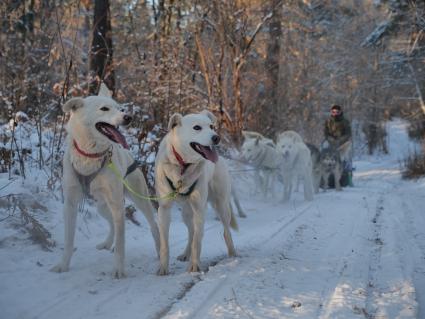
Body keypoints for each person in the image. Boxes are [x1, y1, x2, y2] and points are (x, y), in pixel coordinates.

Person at [324, 104, 353, 186]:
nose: (335, 113)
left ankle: (349, 178)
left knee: (346, 158)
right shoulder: (328, 121)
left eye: (337, 112)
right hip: (331, 142)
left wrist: (340, 140)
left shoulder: (345, 121)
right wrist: (330, 139)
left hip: (343, 143)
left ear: (340, 112)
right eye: (333, 112)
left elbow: (348, 134)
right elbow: (326, 133)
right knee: (323, 148)